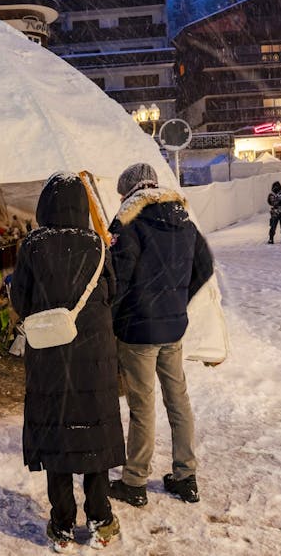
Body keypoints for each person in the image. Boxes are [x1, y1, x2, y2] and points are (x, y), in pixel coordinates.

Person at [11, 172, 124, 553]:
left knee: (57, 432)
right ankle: (100, 518)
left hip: (49, 354)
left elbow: (21, 300)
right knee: (93, 430)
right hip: (94, 357)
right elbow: (113, 292)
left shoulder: (33, 245)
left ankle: (61, 524)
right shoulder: (98, 244)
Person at [106, 163, 213, 507]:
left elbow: (117, 280)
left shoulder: (128, 223)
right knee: (178, 399)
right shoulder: (183, 219)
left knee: (142, 405)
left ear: (129, 192)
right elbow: (205, 266)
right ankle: (186, 476)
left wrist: (112, 318)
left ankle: (135, 482)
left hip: (137, 330)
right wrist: (177, 297)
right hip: (172, 327)